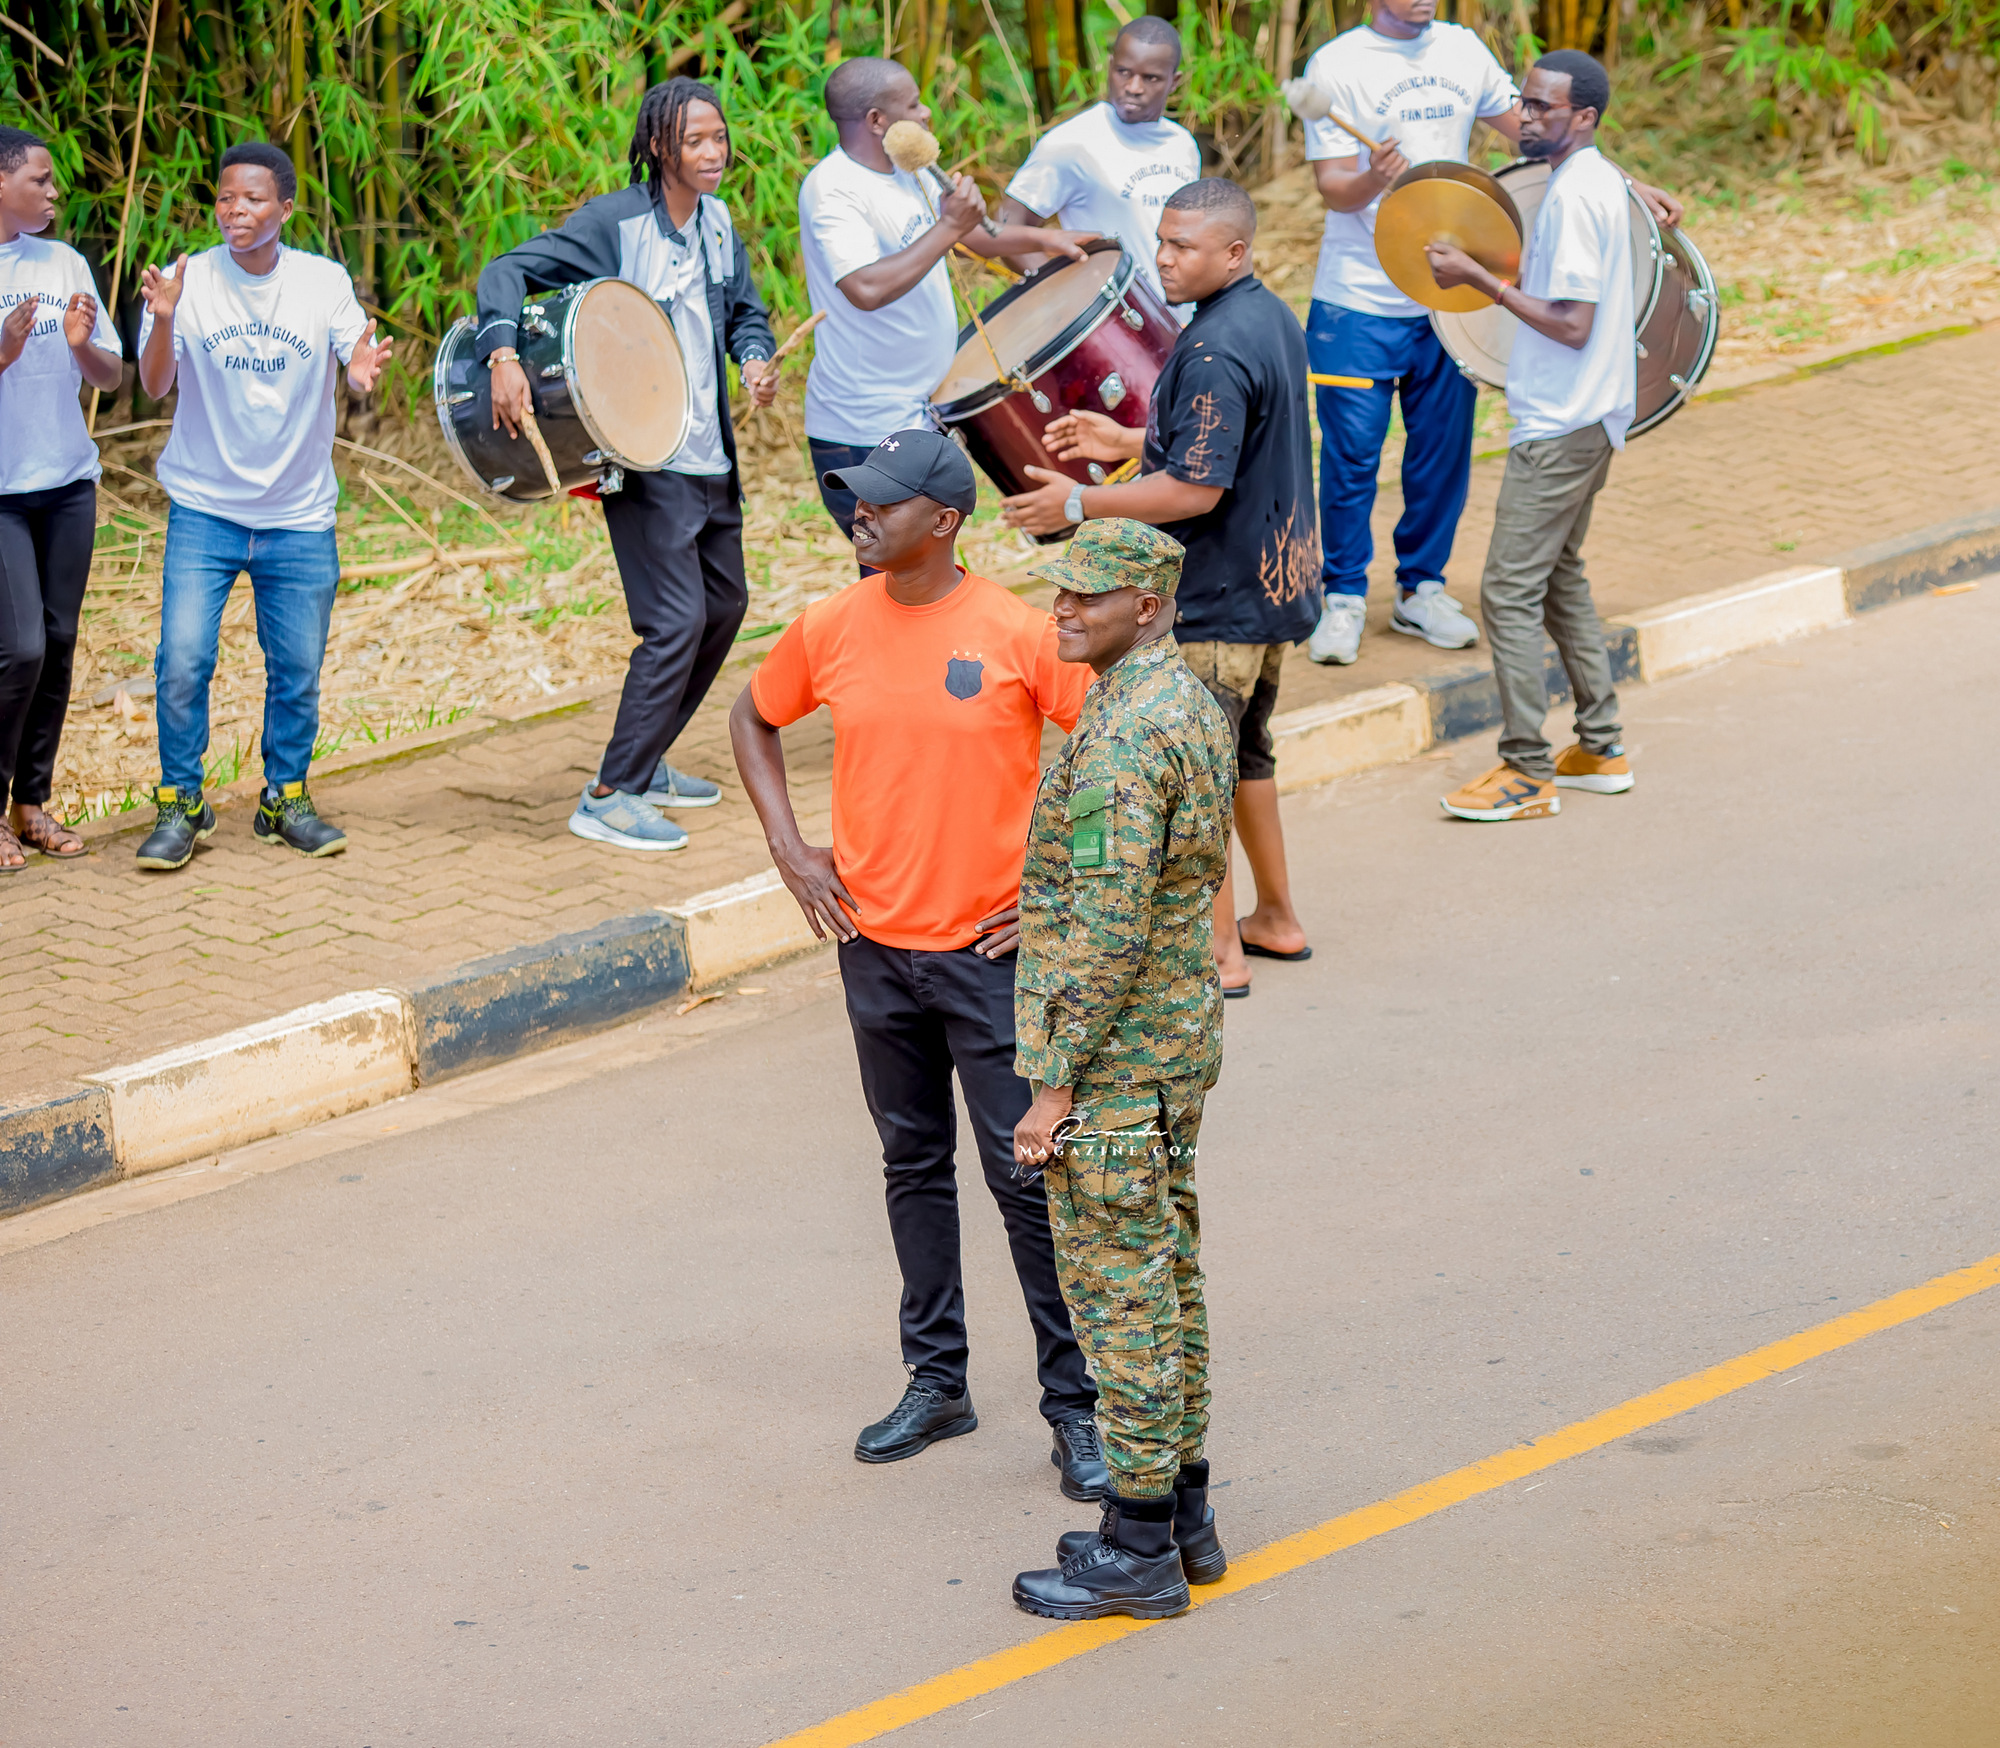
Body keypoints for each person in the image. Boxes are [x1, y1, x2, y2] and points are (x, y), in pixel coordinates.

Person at [728, 428, 1109, 1503]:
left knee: (1024, 1182)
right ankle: (937, 1381)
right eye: (855, 498)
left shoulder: (1018, 632)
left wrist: (1059, 886)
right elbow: (752, 717)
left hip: (987, 961)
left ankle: (1075, 1407)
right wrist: (790, 850)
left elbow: (1104, 757)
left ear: (942, 521)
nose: (858, 514)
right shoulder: (831, 626)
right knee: (911, 1166)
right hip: (874, 950)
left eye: (880, 503)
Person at [1000, 178, 1315, 996]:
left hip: (1216, 597)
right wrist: (1129, 438)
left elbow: (1195, 489)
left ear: (1234, 252)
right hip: (1272, 589)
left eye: (1183, 246)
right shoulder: (1267, 317)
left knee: (1196, 779)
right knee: (1248, 755)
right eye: (1163, 241)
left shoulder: (1211, 349)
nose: (1164, 259)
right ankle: (1277, 917)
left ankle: (1220, 957)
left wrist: (1077, 503)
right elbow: (1228, 438)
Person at [1294, 0, 1680, 668]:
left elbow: (1543, 134)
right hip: (1358, 299)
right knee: (1352, 458)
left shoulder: (1462, 49)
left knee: (1441, 454)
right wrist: (1373, 178)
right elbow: (1333, 189)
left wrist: (1631, 184)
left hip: (1452, 297)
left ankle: (1421, 589)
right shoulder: (1337, 64)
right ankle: (1344, 596)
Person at [1005, 517, 1236, 1622]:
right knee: (1167, 1273)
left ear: (1144, 608)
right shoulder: (1181, 701)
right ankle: (1183, 1512)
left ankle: (1138, 1545)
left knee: (1120, 1294)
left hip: (1113, 1062)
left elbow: (1104, 923)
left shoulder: (1123, 738)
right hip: (1171, 1041)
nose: (1062, 608)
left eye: (1085, 596)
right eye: (1058, 590)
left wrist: (1051, 1084)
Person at [477, 77, 778, 853]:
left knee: (725, 607)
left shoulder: (718, 223)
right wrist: (503, 355)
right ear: (657, 146)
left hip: (710, 455)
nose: (713, 152)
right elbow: (507, 271)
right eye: (694, 140)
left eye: (719, 137)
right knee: (674, 621)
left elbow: (745, 312)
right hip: (644, 457)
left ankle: (646, 761)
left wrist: (753, 357)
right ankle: (611, 794)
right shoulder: (615, 223)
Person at [133, 141, 392, 872]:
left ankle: (284, 798)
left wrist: (361, 370)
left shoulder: (320, 280)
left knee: (297, 668)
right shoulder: (188, 278)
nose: (234, 210)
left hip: (299, 515)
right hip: (205, 509)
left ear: (285, 208)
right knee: (183, 660)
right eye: (224, 198)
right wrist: (163, 318)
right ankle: (181, 802)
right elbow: (154, 385)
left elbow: (355, 356)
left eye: (251, 199)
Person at [1424, 52, 1638, 822]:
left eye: (1545, 107)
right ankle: (1600, 746)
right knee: (1558, 578)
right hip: (1591, 418)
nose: (1527, 116)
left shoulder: (1576, 196)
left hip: (1560, 427)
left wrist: (1478, 280)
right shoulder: (1595, 178)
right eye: (1525, 102)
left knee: (1507, 592)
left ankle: (1525, 770)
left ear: (1584, 117)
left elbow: (1572, 324)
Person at [798, 57, 1096, 543]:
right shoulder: (833, 190)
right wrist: (949, 225)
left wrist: (1045, 239)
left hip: (920, 409)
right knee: (892, 569)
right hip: (865, 427)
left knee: (926, 562)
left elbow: (968, 236)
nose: (926, 114)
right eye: (913, 105)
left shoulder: (907, 170)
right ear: (877, 120)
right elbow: (865, 289)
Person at [0, 127, 122, 871]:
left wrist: (80, 345)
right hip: (3, 495)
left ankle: (31, 805)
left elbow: (111, 375)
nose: (54, 192)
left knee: (59, 644)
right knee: (20, 649)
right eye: (40, 180)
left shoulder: (64, 262)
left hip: (68, 483)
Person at [994, 16, 1202, 316]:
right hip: (1118, 326)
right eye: (1123, 72)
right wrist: (1068, 296)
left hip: (1183, 321)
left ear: (1175, 81)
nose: (1133, 87)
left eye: (1150, 78)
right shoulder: (1075, 142)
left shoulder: (1183, 145)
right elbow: (1007, 224)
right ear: (1110, 66)